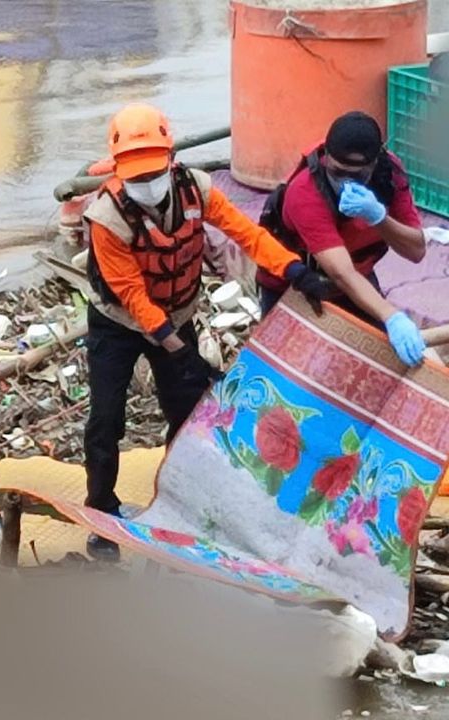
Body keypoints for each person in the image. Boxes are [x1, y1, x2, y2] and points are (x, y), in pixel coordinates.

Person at [83, 104, 334, 562]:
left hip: (177, 313)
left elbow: (248, 235)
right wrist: (184, 355)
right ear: (119, 171)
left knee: (186, 414)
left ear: (171, 159)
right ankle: (101, 512)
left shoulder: (196, 189)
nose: (145, 185)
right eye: (134, 178)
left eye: (151, 174)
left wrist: (297, 271)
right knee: (105, 421)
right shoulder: (107, 218)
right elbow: (133, 297)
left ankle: (179, 503)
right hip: (117, 324)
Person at [257, 111, 428, 367]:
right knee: (292, 372)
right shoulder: (304, 193)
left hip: (359, 274)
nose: (345, 182)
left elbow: (416, 251)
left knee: (375, 367)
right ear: (326, 158)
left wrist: (379, 217)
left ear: (374, 164)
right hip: (296, 284)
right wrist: (391, 316)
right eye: (337, 172)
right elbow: (341, 274)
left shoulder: (389, 174)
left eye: (357, 175)